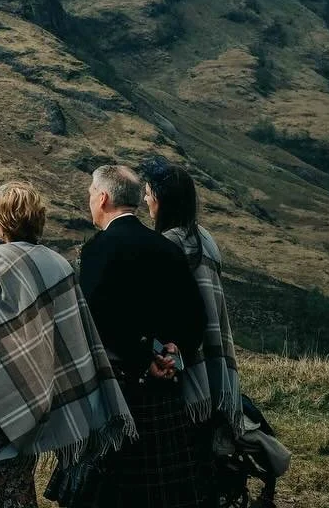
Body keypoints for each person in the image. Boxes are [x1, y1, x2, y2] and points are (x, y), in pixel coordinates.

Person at [0, 183, 131, 508]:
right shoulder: (59, 266)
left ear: (4, 220)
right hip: (32, 399)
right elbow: (73, 339)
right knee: (13, 483)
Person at [75, 164, 207, 507]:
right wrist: (173, 353)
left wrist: (142, 361)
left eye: (91, 193)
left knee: (110, 492)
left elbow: (98, 321)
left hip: (119, 388)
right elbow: (194, 316)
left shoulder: (97, 251)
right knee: (161, 493)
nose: (90, 200)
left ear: (103, 198)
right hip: (165, 385)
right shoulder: (166, 247)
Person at [143, 157, 242, 504]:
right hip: (217, 360)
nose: (146, 201)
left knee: (187, 449)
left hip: (188, 358)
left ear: (162, 199)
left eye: (149, 194)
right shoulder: (204, 238)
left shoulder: (170, 242)